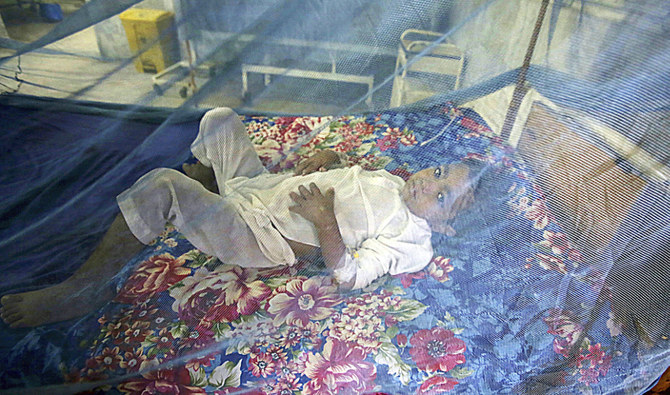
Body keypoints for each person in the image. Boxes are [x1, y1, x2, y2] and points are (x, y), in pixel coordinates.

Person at [0, 107, 484, 328]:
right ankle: (201, 200)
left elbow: (349, 274)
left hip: (259, 234)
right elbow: (357, 189)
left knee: (162, 184)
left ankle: (81, 291)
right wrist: (333, 164)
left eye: (442, 197)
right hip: (259, 191)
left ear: (445, 227)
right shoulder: (397, 182)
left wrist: (324, 220)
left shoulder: (413, 242)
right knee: (220, 119)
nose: (426, 182)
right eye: (438, 171)